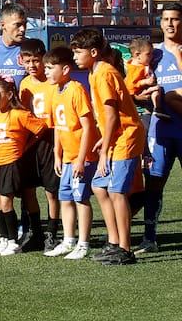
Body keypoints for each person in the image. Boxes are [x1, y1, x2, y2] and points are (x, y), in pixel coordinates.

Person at [70, 29, 144, 265]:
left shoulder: (104, 73)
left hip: (126, 137)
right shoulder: (94, 72)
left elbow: (113, 116)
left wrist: (104, 150)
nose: (74, 57)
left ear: (93, 52)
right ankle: (113, 242)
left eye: (78, 52)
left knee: (116, 191)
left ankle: (125, 248)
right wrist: (104, 139)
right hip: (115, 137)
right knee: (99, 187)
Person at [42, 46, 98, 260]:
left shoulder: (76, 90)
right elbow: (57, 126)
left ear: (65, 69)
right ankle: (68, 241)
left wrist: (81, 159)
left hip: (80, 158)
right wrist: (57, 154)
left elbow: (87, 127)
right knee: (65, 198)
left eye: (49, 67)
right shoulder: (55, 91)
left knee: (80, 199)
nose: (46, 72)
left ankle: (83, 243)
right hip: (66, 159)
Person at [0, 76, 47, 256]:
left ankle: (13, 241)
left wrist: (25, 146)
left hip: (11, 163)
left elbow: (41, 128)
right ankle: (4, 238)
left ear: (10, 95)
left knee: (6, 201)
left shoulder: (20, 114)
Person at [139, 2, 182, 253]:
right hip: (160, 130)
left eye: (175, 19)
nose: (169, 24)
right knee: (154, 183)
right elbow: (137, 89)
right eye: (166, 19)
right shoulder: (152, 54)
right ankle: (149, 237)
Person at [18, 38, 61, 252]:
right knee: (28, 189)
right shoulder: (25, 84)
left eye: (36, 60)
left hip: (51, 139)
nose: (32, 66)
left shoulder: (53, 81)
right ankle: (34, 231)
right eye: (27, 61)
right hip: (30, 141)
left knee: (52, 190)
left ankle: (52, 233)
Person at [125, 37, 168, 120]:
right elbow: (131, 85)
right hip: (138, 94)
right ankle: (157, 109)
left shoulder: (142, 64)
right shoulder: (135, 68)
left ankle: (155, 109)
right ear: (137, 55)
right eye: (148, 54)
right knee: (156, 89)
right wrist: (145, 82)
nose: (152, 56)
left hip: (144, 94)